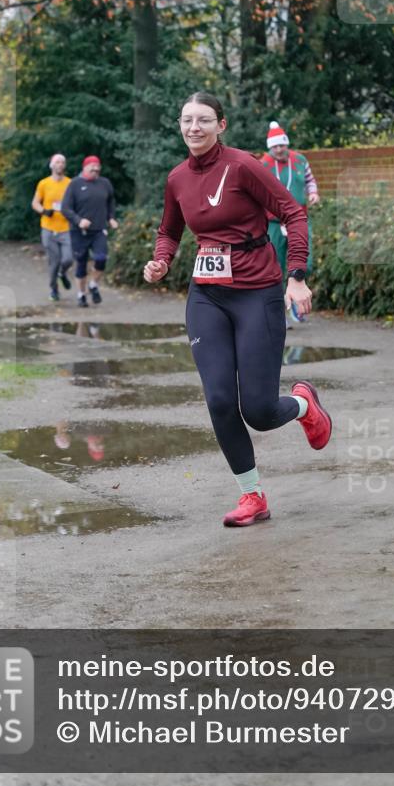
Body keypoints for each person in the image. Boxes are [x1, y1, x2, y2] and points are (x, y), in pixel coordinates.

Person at [143, 92, 332, 528]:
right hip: (207, 296)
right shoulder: (177, 178)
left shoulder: (245, 166)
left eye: (204, 120)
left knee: (260, 412)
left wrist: (297, 274)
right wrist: (161, 259)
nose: (194, 128)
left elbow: (294, 212)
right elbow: (169, 230)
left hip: (256, 292)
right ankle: (252, 496)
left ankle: (304, 405)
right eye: (187, 120)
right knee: (221, 401)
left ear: (221, 125)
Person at [260, 121, 320, 323]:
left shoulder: (300, 160)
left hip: (298, 220)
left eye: (282, 145)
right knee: (274, 266)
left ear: (287, 144)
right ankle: (279, 309)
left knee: (305, 263)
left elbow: (310, 180)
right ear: (270, 147)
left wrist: (313, 193)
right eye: (275, 146)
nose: (279, 150)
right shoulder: (263, 164)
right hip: (274, 224)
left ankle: (294, 298)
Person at [61, 155, 118, 307]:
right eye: (92, 166)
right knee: (81, 263)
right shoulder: (75, 184)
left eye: (97, 166)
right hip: (78, 232)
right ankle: (81, 294)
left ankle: (93, 285)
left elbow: (111, 201)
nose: (95, 168)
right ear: (84, 167)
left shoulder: (105, 183)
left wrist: (111, 217)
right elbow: (65, 208)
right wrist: (79, 221)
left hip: (99, 230)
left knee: (101, 258)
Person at [32, 153, 73, 301]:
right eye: (57, 162)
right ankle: (54, 290)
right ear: (51, 165)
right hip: (48, 228)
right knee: (53, 262)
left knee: (68, 259)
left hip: (66, 228)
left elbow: (76, 203)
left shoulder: (70, 183)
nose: (60, 165)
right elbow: (35, 203)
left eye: (62, 162)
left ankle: (63, 273)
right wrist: (43, 210)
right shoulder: (44, 183)